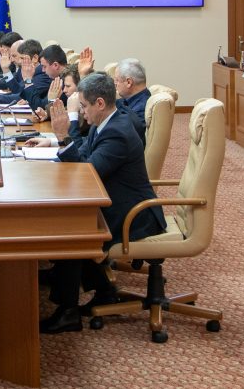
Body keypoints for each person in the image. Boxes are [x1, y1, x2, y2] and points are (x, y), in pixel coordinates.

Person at [39, 72, 166, 334]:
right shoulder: (105, 121)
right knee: (72, 220)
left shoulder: (117, 132)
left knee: (71, 230)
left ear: (99, 103)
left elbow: (88, 174)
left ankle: (68, 312)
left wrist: (63, 137)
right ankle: (104, 290)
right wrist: (58, 141)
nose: (82, 112)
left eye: (84, 106)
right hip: (115, 203)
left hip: (134, 215)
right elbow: (85, 152)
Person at [114, 59, 150, 125]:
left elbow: (119, 128)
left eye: (117, 80)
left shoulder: (140, 109)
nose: (115, 84)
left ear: (129, 82)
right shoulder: (131, 100)